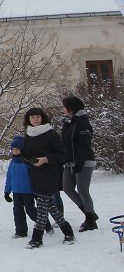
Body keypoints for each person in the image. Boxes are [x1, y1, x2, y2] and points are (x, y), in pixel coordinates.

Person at [22, 107, 75, 248]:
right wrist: (26, 158)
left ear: (42, 117)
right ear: (28, 120)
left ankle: (37, 239)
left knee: (41, 209)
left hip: (50, 175)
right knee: (52, 208)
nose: (36, 119)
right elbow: (26, 156)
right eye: (33, 117)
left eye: (38, 116)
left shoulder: (50, 134)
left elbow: (62, 154)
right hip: (35, 176)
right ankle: (68, 232)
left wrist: (46, 159)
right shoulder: (28, 135)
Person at [60, 95, 99, 231]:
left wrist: (79, 162)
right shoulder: (67, 122)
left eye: (64, 106)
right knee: (67, 188)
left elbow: (85, 144)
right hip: (69, 162)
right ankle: (90, 214)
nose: (63, 109)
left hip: (84, 161)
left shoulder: (82, 122)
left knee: (83, 190)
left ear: (70, 108)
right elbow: (64, 143)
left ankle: (90, 221)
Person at [4, 135, 40, 238]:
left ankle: (44, 224)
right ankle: (21, 231)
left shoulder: (28, 162)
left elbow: (34, 178)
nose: (15, 151)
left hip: (28, 191)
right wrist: (7, 191)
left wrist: (36, 192)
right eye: (13, 149)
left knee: (31, 210)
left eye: (18, 149)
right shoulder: (12, 163)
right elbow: (9, 177)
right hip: (16, 192)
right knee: (17, 211)